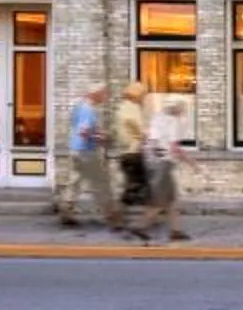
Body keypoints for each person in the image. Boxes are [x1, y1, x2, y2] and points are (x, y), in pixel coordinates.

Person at [126, 90, 197, 243]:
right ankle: (140, 226)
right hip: (163, 164)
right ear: (177, 108)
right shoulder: (172, 121)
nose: (184, 110)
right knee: (159, 200)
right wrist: (191, 162)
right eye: (183, 107)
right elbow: (174, 147)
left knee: (171, 199)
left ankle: (175, 231)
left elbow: (150, 140)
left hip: (152, 161)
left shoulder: (157, 117)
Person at [61, 83, 120, 229]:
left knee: (75, 182)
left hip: (76, 150)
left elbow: (78, 129)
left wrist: (98, 133)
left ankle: (66, 212)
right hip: (87, 152)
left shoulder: (80, 106)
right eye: (103, 94)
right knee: (102, 183)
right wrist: (100, 138)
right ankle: (111, 216)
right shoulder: (88, 110)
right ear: (96, 94)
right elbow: (83, 131)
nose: (105, 97)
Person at [114, 81, 152, 229]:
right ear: (137, 95)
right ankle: (118, 216)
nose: (144, 98)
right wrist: (147, 135)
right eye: (143, 94)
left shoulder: (121, 108)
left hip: (125, 152)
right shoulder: (133, 109)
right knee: (135, 186)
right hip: (134, 151)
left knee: (136, 185)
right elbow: (139, 129)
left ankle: (148, 217)